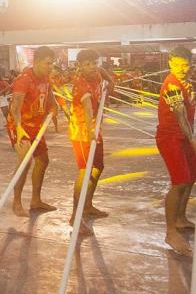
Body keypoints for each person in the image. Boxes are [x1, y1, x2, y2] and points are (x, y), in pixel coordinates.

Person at [156, 46, 196, 256]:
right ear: (170, 63)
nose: (181, 69)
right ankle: (170, 231)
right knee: (179, 183)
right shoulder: (171, 85)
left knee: (190, 179)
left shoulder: (184, 81)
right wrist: (192, 141)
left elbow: (187, 88)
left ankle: (180, 218)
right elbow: (180, 115)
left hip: (184, 138)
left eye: (185, 65)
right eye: (177, 65)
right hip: (171, 138)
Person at [7, 46, 60, 217]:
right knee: (25, 161)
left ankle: (35, 200)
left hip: (36, 125)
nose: (50, 67)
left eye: (52, 64)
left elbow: (49, 92)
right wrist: (19, 130)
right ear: (37, 61)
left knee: (43, 161)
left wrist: (54, 105)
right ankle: (16, 202)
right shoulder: (24, 80)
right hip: (20, 124)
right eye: (48, 63)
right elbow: (15, 108)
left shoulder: (45, 77)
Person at [66, 48, 115, 234]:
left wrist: (108, 80)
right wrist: (91, 130)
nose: (92, 67)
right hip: (82, 132)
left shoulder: (98, 75)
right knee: (85, 172)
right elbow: (86, 108)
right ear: (80, 66)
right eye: (88, 64)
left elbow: (110, 84)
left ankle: (87, 206)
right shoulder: (80, 83)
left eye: (95, 63)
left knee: (98, 168)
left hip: (95, 129)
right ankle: (75, 217)